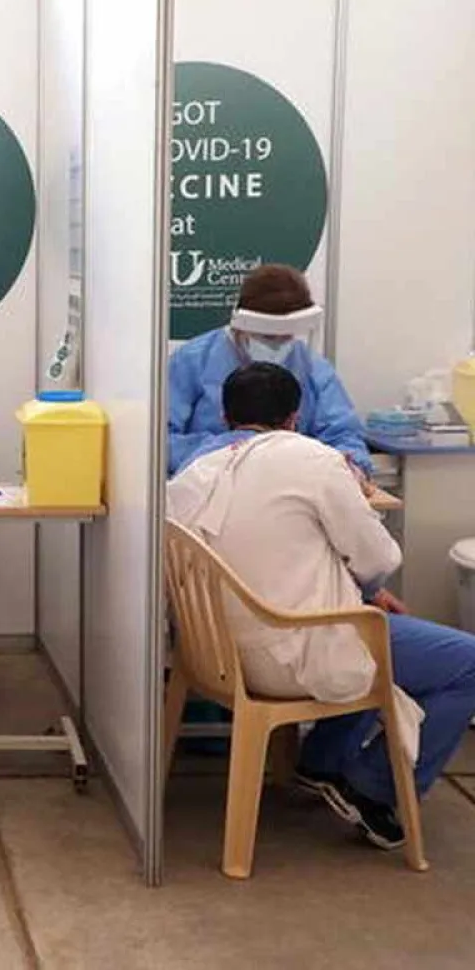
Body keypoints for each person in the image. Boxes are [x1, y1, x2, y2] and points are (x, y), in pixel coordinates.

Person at [167, 361, 475, 850]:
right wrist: (367, 588)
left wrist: (364, 594)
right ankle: (374, 788)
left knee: (367, 617)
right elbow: (380, 556)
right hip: (298, 653)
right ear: (295, 416)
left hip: (216, 657)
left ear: (224, 417)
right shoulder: (315, 461)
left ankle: (323, 764)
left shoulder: (190, 475)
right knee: (465, 662)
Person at [168, 263, 372, 478]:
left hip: (294, 488)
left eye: (287, 337)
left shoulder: (313, 369)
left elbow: (344, 434)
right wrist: (221, 453)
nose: (277, 346)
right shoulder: (193, 361)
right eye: (267, 338)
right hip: (211, 482)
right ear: (240, 325)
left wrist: (352, 468)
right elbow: (158, 439)